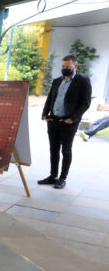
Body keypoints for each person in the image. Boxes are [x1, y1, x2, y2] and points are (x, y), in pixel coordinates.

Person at [39, 54, 92, 189]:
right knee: (53, 149)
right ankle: (53, 176)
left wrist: (73, 118)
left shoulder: (83, 82)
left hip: (68, 122)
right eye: (63, 67)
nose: (65, 69)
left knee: (66, 150)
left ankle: (62, 178)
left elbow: (85, 103)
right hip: (53, 120)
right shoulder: (57, 81)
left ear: (75, 66)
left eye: (68, 67)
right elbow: (50, 98)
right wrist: (45, 114)